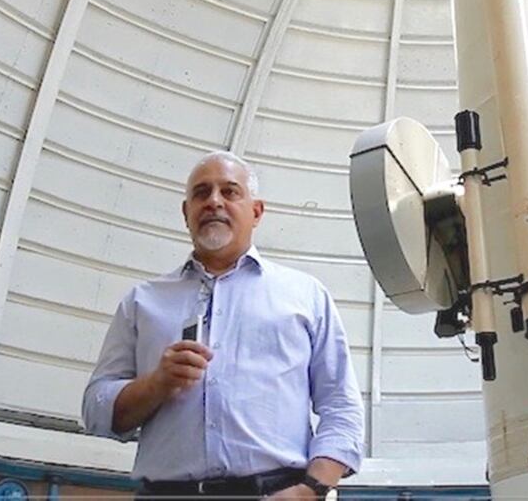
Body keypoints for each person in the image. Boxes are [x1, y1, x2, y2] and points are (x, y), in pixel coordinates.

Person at [83, 151, 365, 499]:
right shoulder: (142, 302)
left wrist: (312, 489)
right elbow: (96, 409)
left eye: (230, 192)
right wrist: (156, 385)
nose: (214, 202)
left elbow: (341, 405)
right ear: (186, 213)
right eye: (201, 193)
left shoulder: (306, 295)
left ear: (256, 212)